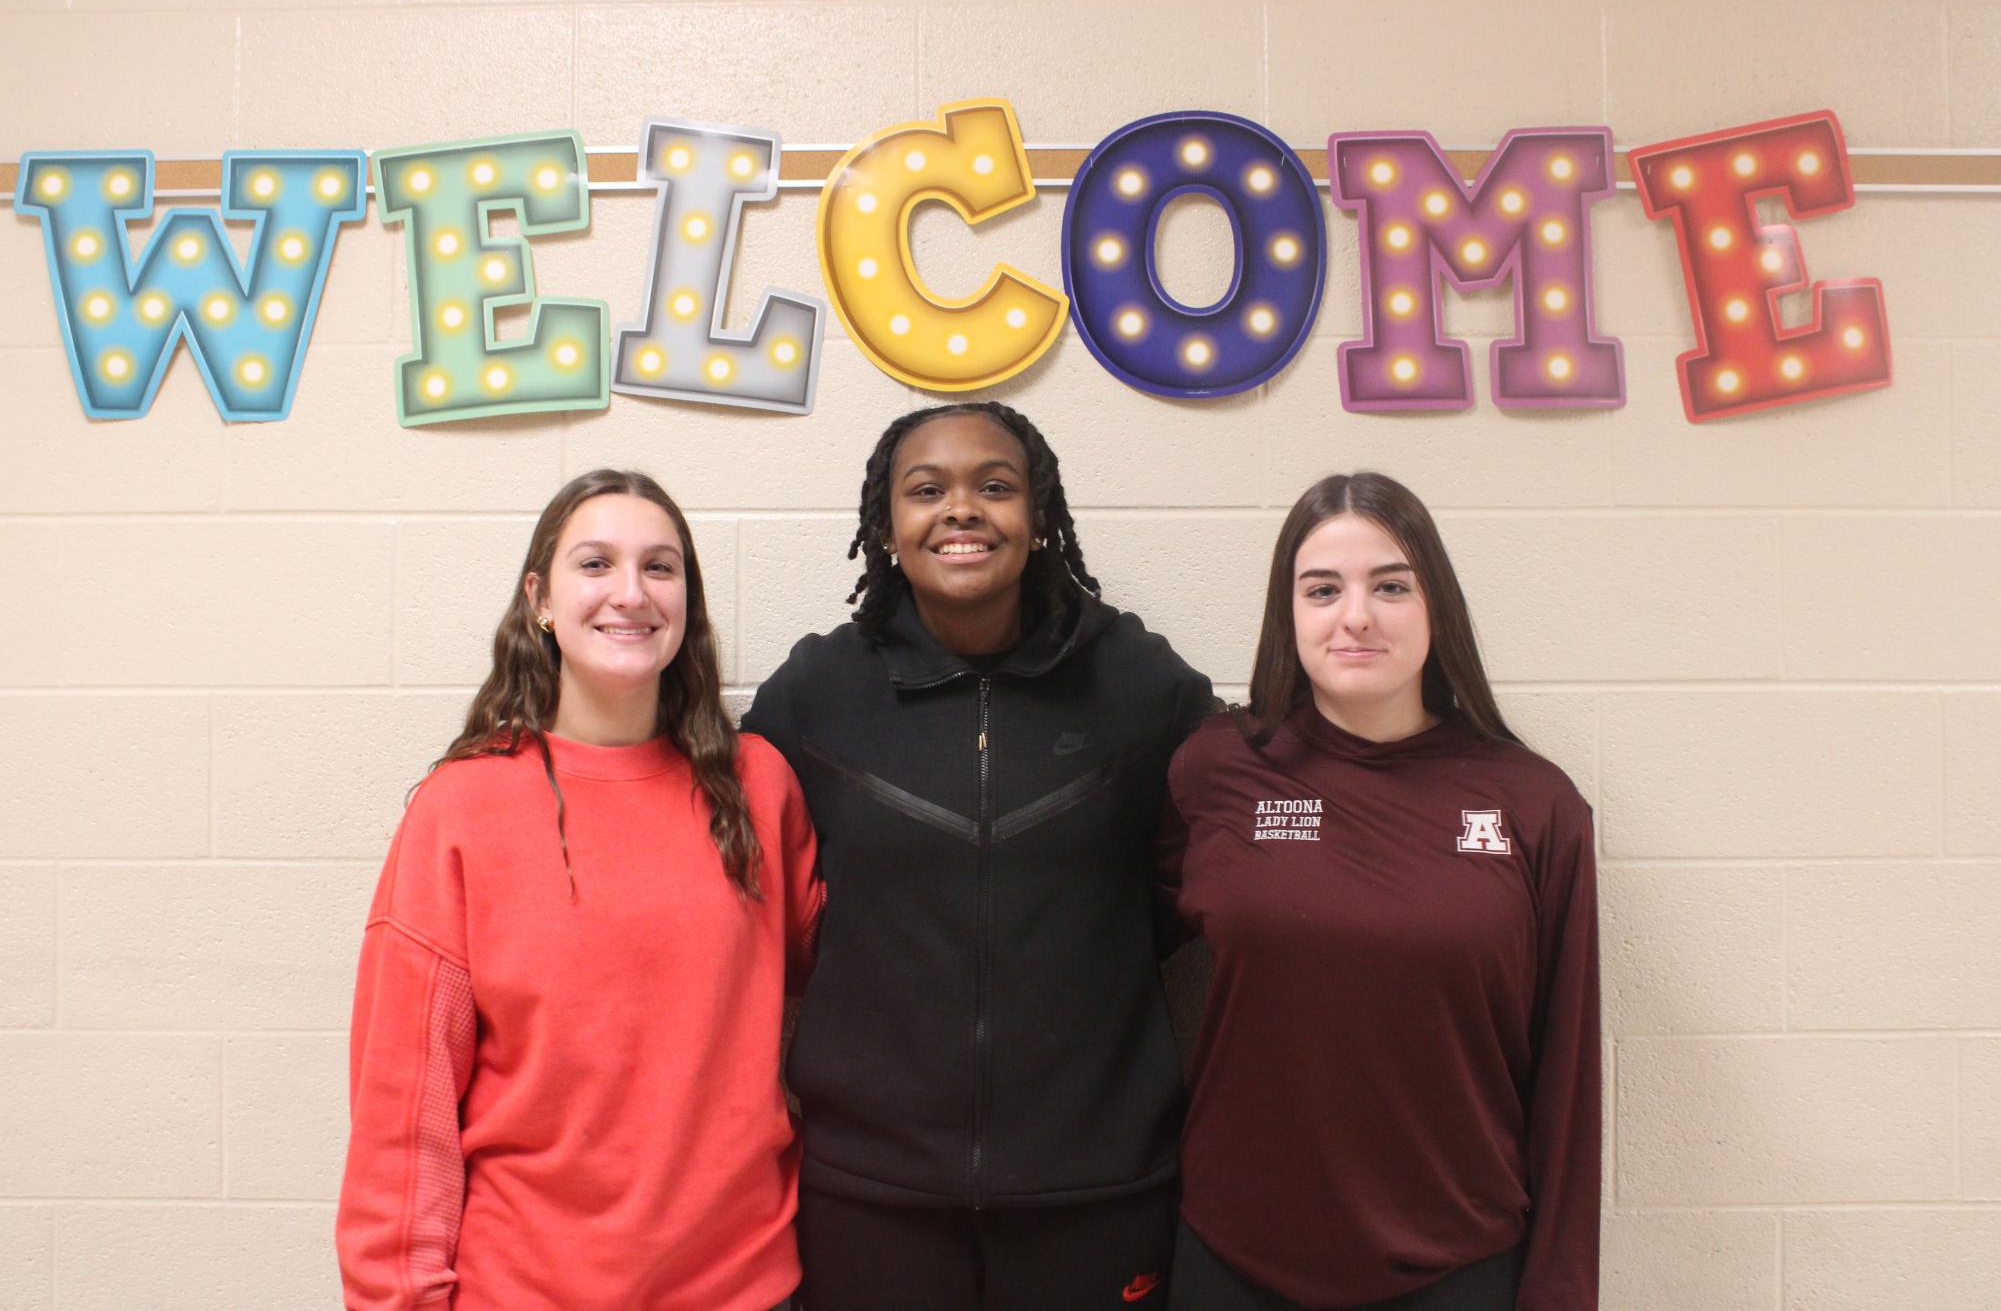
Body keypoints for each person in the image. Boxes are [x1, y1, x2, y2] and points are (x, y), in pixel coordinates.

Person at [741, 400, 1214, 1311]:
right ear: (886, 527)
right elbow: (739, 877)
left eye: (995, 487)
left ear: (1038, 522)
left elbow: (1202, 879)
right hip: (871, 1198)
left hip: (1099, 1192)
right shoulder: (819, 693)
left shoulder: (1139, 684)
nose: (961, 510)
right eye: (927, 491)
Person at [336, 470, 821, 1311]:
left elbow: (855, 1003)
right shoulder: (464, 808)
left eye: (660, 568)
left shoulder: (759, 788)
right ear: (541, 600)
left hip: (745, 1289)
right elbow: (402, 1112)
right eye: (595, 564)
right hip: (525, 1290)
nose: (629, 593)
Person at [1160, 472, 1599, 1311]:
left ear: (1436, 603)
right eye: (1322, 589)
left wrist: (1559, 1289)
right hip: (1232, 1254)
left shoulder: (1534, 804)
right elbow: (1102, 964)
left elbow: (1568, 1078)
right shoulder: (1213, 771)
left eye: (1390, 586)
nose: (1355, 615)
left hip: (1455, 1262)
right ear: (1286, 613)